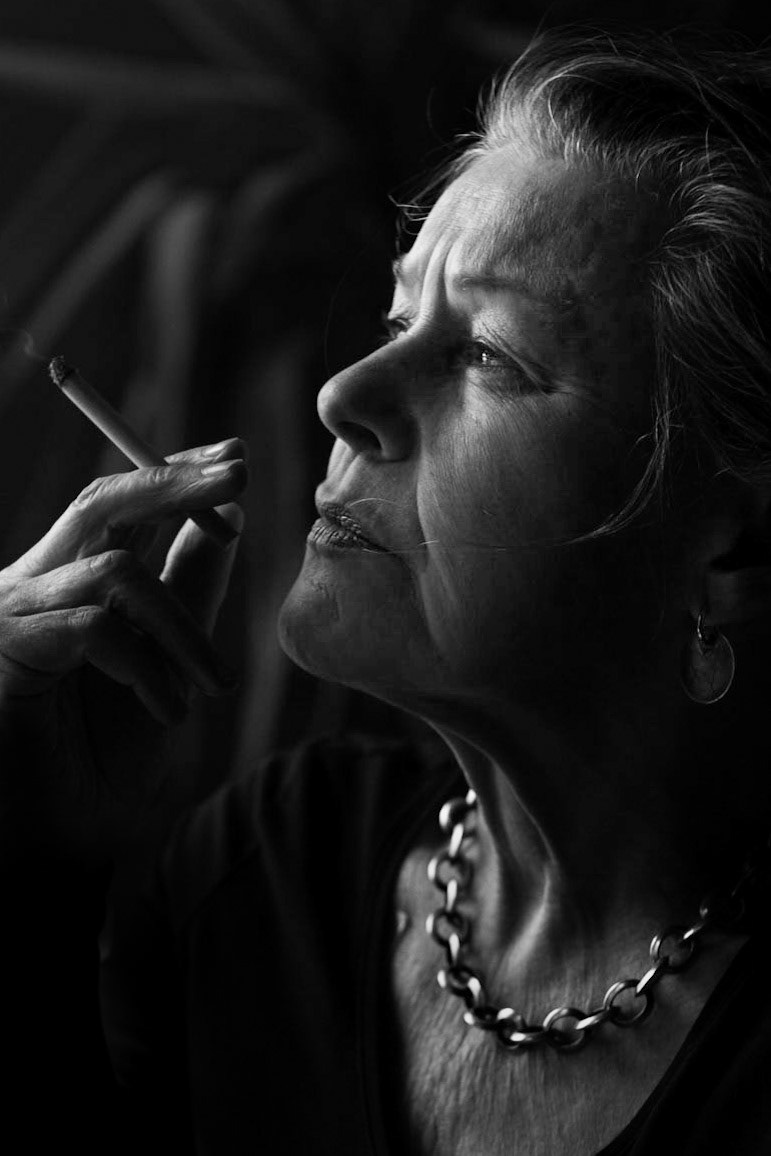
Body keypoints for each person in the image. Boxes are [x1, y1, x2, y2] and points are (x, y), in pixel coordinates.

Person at [3, 25, 771, 1156]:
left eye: (488, 353)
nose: (342, 394)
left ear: (732, 550)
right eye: (398, 319)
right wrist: (35, 856)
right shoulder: (265, 878)